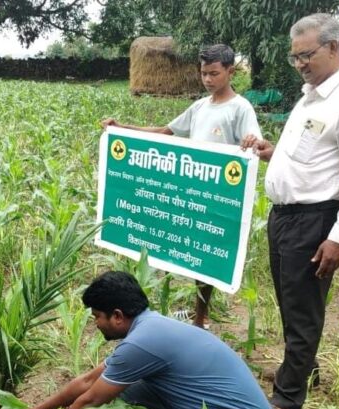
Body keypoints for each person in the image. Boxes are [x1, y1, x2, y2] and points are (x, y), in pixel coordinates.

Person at [241, 13, 339, 409]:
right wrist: (271, 153)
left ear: (334, 47)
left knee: (303, 309)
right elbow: (311, 156)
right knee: (290, 300)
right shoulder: (311, 97)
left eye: (306, 55)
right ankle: (303, 368)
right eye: (295, 56)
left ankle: (288, 398)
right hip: (285, 217)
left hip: (315, 219)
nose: (300, 63)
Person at [102, 44, 262, 329]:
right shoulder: (200, 106)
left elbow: (254, 143)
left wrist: (252, 142)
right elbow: (165, 132)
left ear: (230, 71)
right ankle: (178, 310)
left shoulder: (240, 108)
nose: (208, 79)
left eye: (214, 73)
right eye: (204, 73)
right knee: (177, 249)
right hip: (188, 194)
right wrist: (121, 128)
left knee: (205, 259)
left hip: (216, 197)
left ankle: (201, 318)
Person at [30, 271, 276, 409]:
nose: (96, 324)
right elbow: (88, 382)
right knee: (123, 389)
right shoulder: (149, 328)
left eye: (97, 317)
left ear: (117, 316)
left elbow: (90, 400)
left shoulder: (142, 342)